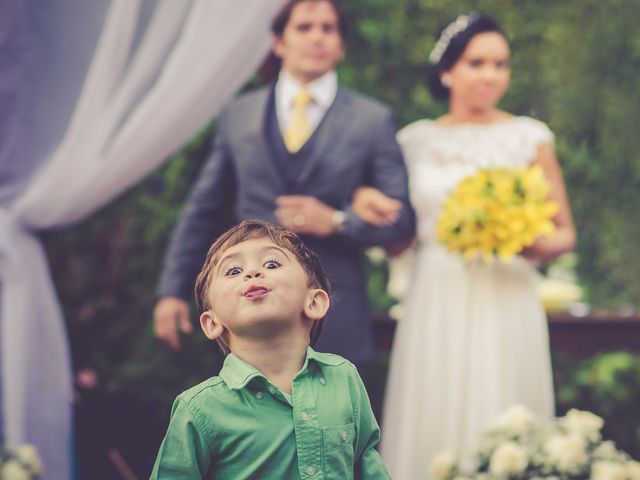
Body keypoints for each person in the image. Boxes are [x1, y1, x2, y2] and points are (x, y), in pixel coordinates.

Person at [365, 14, 576, 478]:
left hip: (507, 290)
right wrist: (370, 206)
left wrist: (527, 243)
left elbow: (565, 233)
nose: (490, 74)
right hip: (437, 291)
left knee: (504, 395)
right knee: (434, 398)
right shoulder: (414, 141)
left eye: (500, 64)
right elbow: (398, 229)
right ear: (447, 71)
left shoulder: (530, 138)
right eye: (477, 62)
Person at [153, 0, 415, 371]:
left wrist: (338, 221)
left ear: (340, 45)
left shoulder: (372, 120)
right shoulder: (238, 115)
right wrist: (172, 289)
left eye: (328, 29)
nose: (317, 37)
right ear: (278, 42)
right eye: (304, 27)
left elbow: (403, 221)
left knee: (335, 428)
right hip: (249, 315)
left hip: (336, 313)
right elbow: (203, 208)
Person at [150, 220, 391, 479]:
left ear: (314, 302)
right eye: (232, 271)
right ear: (212, 322)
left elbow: (367, 463)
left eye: (271, 264)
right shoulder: (200, 408)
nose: (252, 272)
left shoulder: (343, 378)